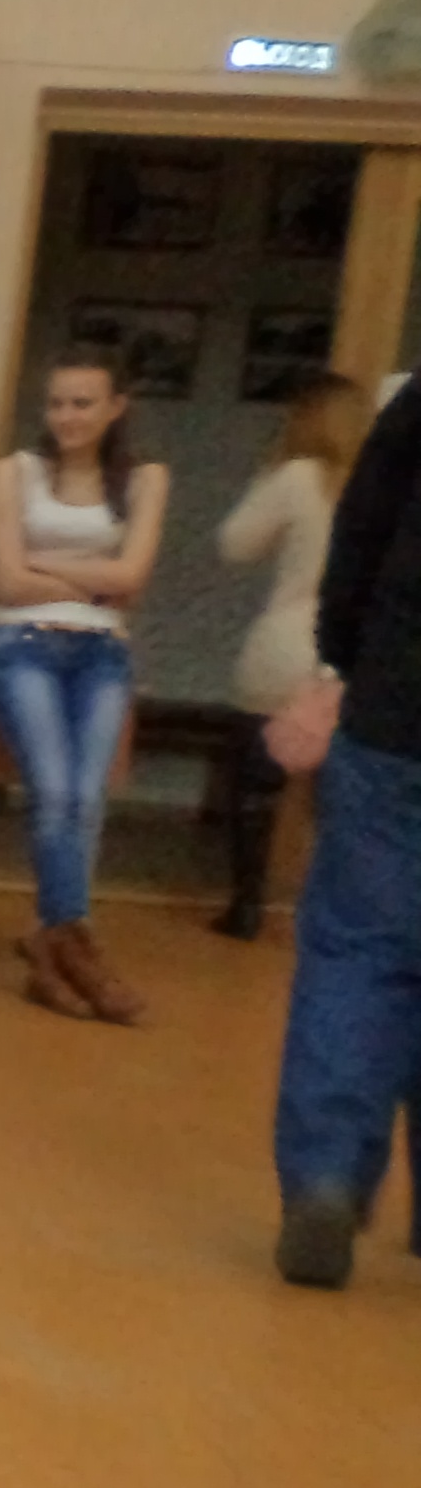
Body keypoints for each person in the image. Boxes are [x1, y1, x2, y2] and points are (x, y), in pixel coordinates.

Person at [267, 373, 421, 1289]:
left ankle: (326, 1175)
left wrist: (345, 658)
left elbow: (361, 532)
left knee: (358, 950)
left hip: (399, 709)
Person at [0, 346, 168, 1024]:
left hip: (103, 654)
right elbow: (3, 580)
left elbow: (134, 578)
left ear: (116, 407)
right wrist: (92, 576)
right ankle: (77, 948)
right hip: (19, 646)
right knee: (53, 793)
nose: (67, 416)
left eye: (83, 403)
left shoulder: (145, 479)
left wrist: (43, 562)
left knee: (86, 801)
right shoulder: (14, 472)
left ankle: (50, 956)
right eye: (57, 403)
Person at [210, 372, 370, 938]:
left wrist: (267, 473)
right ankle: (338, 912)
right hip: (358, 652)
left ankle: (247, 905)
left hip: (288, 641)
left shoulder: (298, 477)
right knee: (343, 798)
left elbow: (235, 544)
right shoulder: (381, 483)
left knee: (256, 781)